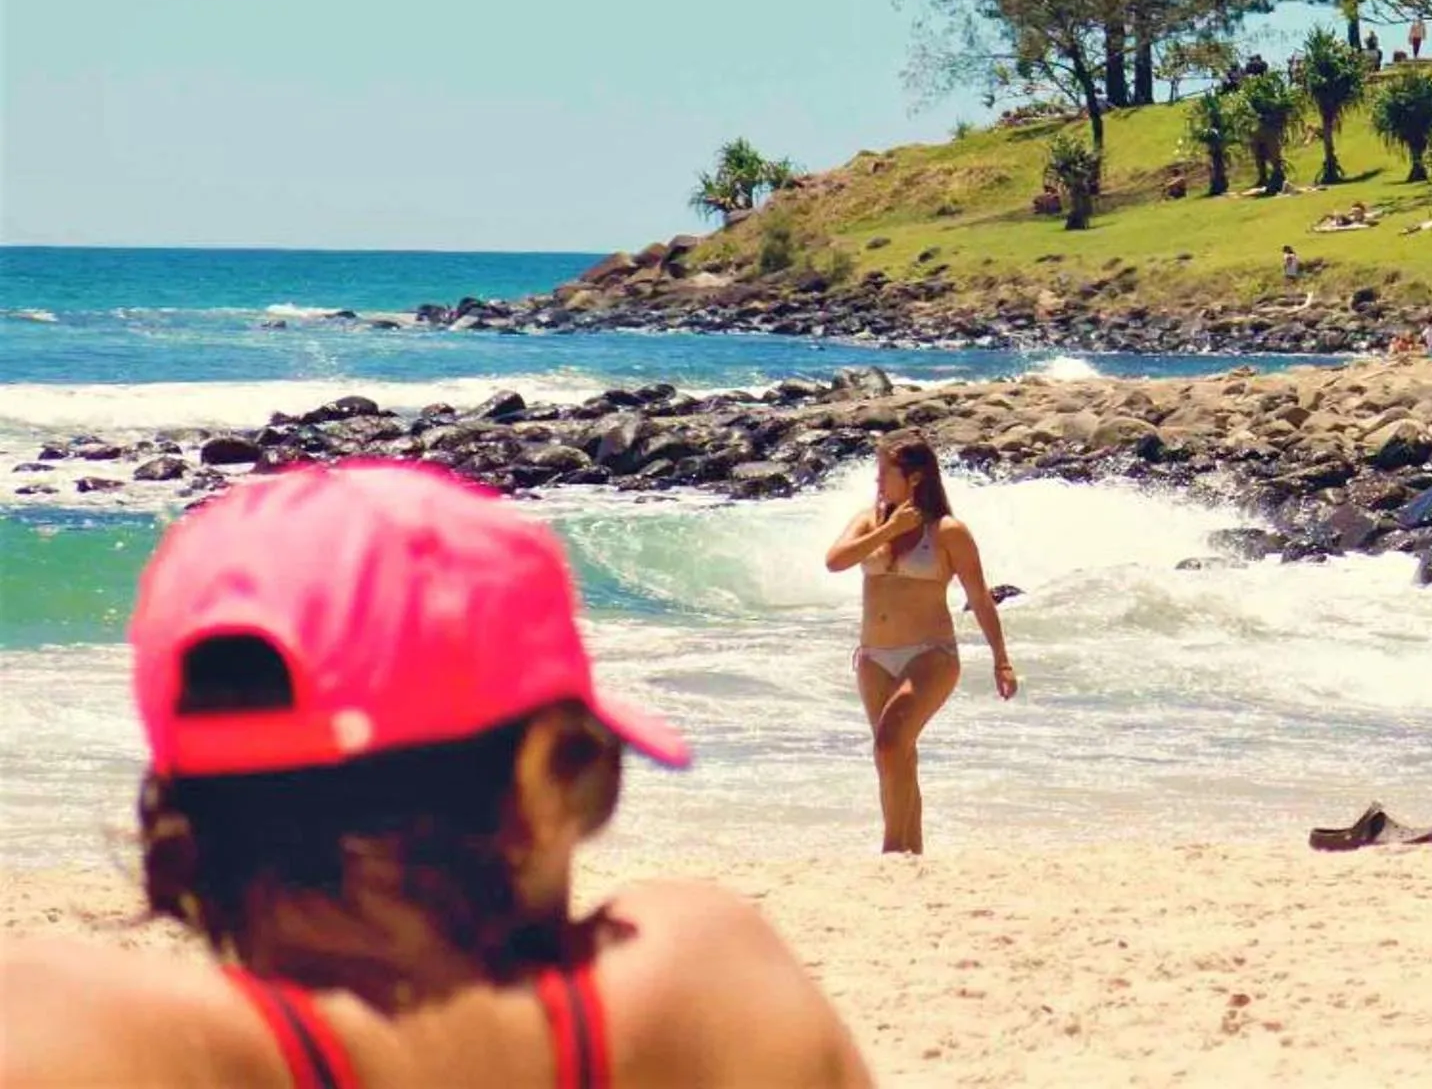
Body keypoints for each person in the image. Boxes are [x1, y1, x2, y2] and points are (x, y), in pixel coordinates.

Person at [0, 462, 870, 1087]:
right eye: (593, 773)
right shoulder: (704, 994)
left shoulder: (80, 1038)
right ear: (545, 783)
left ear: (176, 814)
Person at [823, 434, 1017, 854]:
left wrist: (1001, 659)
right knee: (895, 756)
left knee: (890, 744)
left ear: (914, 478)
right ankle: (911, 853)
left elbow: (979, 596)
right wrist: (890, 530)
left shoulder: (948, 531)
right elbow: (835, 561)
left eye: (884, 474)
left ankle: (892, 851)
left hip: (930, 655)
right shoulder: (870, 521)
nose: (877, 483)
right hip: (873, 657)